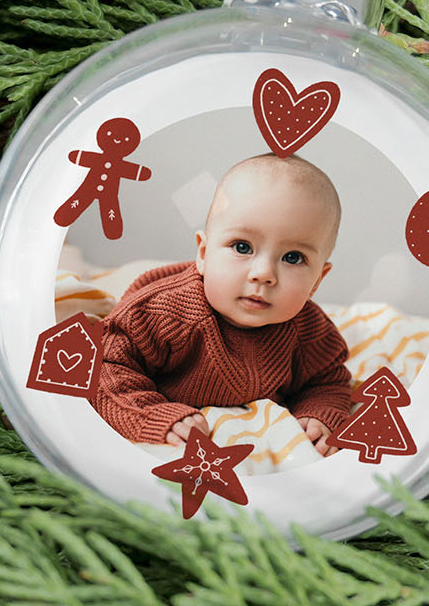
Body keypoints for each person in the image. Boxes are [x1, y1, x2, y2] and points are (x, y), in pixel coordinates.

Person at [93, 154, 351, 455]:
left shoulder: (310, 332)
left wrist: (318, 412)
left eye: (293, 257)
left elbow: (328, 381)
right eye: (242, 247)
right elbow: (104, 368)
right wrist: (151, 414)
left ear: (318, 279)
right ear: (203, 252)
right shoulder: (162, 314)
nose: (263, 274)